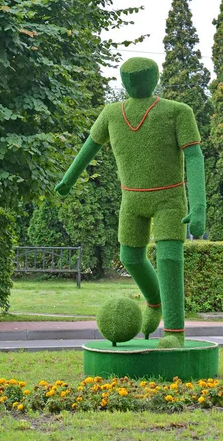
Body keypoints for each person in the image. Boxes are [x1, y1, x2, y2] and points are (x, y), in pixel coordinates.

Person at [55, 57, 206, 347]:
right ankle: (154, 301)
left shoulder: (177, 112)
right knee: (130, 258)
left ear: (154, 78)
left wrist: (199, 205)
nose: (134, 82)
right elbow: (90, 146)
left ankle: (175, 333)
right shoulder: (111, 114)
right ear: (122, 81)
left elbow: (195, 156)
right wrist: (68, 178)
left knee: (170, 258)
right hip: (131, 199)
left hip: (170, 199)